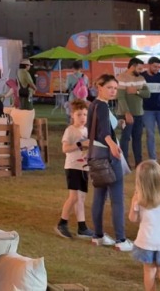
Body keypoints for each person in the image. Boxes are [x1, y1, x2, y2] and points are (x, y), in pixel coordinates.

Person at [88, 74, 132, 251]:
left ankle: (98, 236)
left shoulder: (94, 105)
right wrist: (112, 144)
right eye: (109, 87)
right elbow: (104, 131)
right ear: (99, 87)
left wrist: (117, 124)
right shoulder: (103, 106)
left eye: (115, 88)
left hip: (95, 153)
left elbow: (98, 128)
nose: (113, 91)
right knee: (117, 198)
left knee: (99, 195)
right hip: (107, 154)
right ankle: (121, 239)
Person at [129, 160, 160, 291]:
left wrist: (133, 203)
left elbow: (132, 219)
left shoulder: (139, 198)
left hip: (147, 241)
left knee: (149, 271)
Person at [57, 99, 94, 239]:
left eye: (85, 114)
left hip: (84, 167)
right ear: (72, 115)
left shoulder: (86, 130)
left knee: (81, 198)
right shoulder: (70, 130)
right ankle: (62, 223)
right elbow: (65, 148)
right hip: (73, 166)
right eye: (79, 114)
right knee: (74, 197)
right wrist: (80, 144)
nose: (82, 117)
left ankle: (82, 227)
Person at [116, 58, 148, 168]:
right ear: (132, 66)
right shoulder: (121, 78)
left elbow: (148, 94)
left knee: (137, 139)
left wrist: (136, 91)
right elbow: (120, 97)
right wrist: (127, 112)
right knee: (125, 138)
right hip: (125, 114)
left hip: (139, 113)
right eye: (139, 68)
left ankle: (139, 162)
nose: (141, 71)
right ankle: (124, 163)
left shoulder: (141, 78)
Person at [140, 57, 160, 162]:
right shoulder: (142, 77)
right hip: (147, 110)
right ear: (149, 65)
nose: (157, 69)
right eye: (155, 66)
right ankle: (153, 159)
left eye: (158, 67)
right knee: (150, 135)